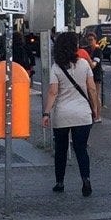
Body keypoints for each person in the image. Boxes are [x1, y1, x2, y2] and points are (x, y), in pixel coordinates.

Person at [41, 31, 97, 196]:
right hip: (82, 113)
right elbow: (92, 88)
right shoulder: (84, 64)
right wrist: (94, 108)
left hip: (62, 113)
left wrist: (46, 113)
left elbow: (53, 92)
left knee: (61, 149)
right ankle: (86, 179)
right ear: (74, 47)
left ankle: (60, 182)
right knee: (81, 149)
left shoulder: (56, 66)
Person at [85, 32, 104, 122]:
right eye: (88, 40)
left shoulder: (98, 51)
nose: (90, 42)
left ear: (95, 40)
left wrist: (87, 59)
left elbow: (93, 65)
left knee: (95, 95)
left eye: (91, 40)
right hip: (88, 75)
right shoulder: (87, 50)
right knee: (89, 95)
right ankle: (93, 113)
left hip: (96, 75)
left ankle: (98, 116)